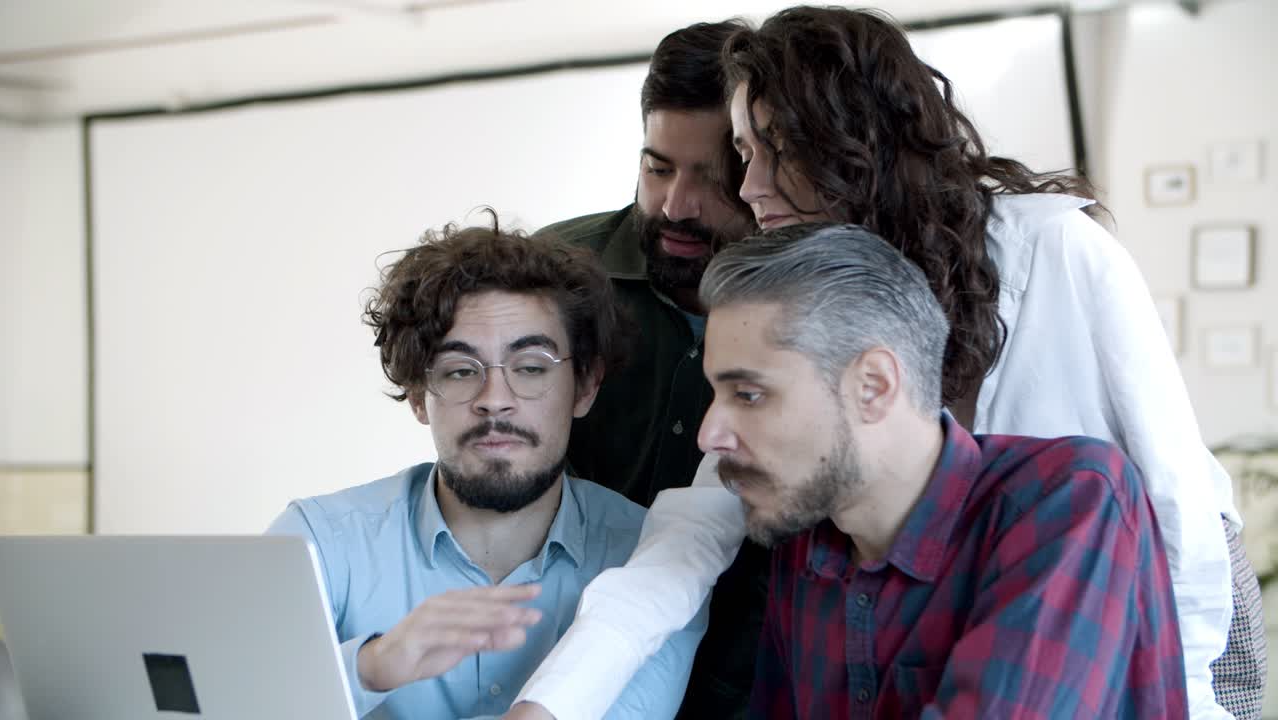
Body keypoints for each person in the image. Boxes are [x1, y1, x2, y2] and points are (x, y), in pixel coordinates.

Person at [514, 6, 1262, 720]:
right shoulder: (806, 289)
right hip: (948, 585)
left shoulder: (1054, 251)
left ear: (854, 141)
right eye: (745, 154)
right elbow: (690, 536)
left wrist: (1186, 691)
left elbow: (1175, 501)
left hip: (1160, 588)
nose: (749, 188)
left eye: (777, 149)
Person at [699, 223, 1188, 718]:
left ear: (873, 385)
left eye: (748, 395)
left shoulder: (1071, 497)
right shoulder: (806, 543)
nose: (709, 435)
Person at [267, 217, 705, 720]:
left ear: (585, 386)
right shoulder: (315, 545)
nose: (494, 401)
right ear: (417, 394)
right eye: (459, 371)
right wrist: (368, 667)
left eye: (531, 367)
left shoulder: (653, 558)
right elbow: (220, 700)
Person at [511, 21, 762, 720]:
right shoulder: (554, 274)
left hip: (744, 672)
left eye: (713, 179)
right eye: (657, 168)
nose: (677, 205)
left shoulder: (794, 298)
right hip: (563, 659)